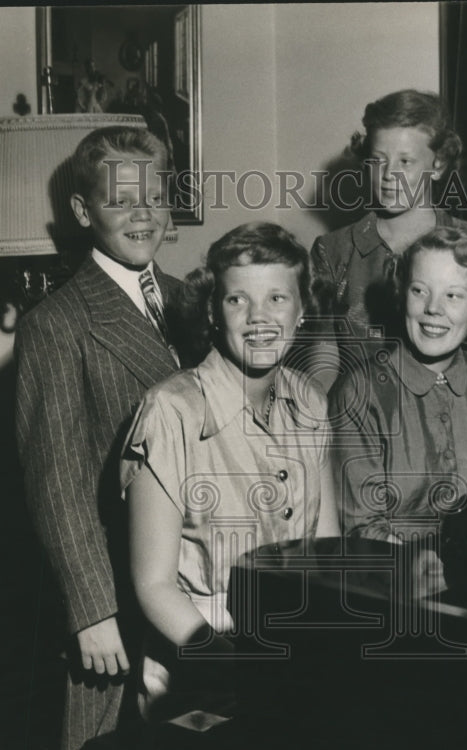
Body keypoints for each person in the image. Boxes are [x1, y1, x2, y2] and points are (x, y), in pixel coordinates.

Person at [121, 222, 340, 718]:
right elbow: (153, 587)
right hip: (198, 660)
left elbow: (327, 551)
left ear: (302, 310)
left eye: (277, 298)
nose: (259, 317)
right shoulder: (170, 411)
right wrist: (238, 669)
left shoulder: (311, 401)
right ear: (212, 312)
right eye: (238, 299)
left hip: (298, 647)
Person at [15, 124, 180, 750]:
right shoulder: (56, 324)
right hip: (113, 589)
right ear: (83, 212)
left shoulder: (195, 301)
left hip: (193, 578)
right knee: (104, 748)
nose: (143, 214)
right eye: (121, 200)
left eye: (155, 197)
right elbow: (56, 482)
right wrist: (90, 612)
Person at [328, 226, 467, 593]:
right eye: (419, 290)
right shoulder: (360, 392)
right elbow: (361, 527)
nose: (433, 308)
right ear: (402, 295)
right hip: (395, 585)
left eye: (453, 295)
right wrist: (419, 568)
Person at [311, 89, 467, 387]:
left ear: (438, 165)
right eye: (378, 160)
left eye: (405, 161)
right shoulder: (333, 251)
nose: (389, 174)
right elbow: (322, 368)